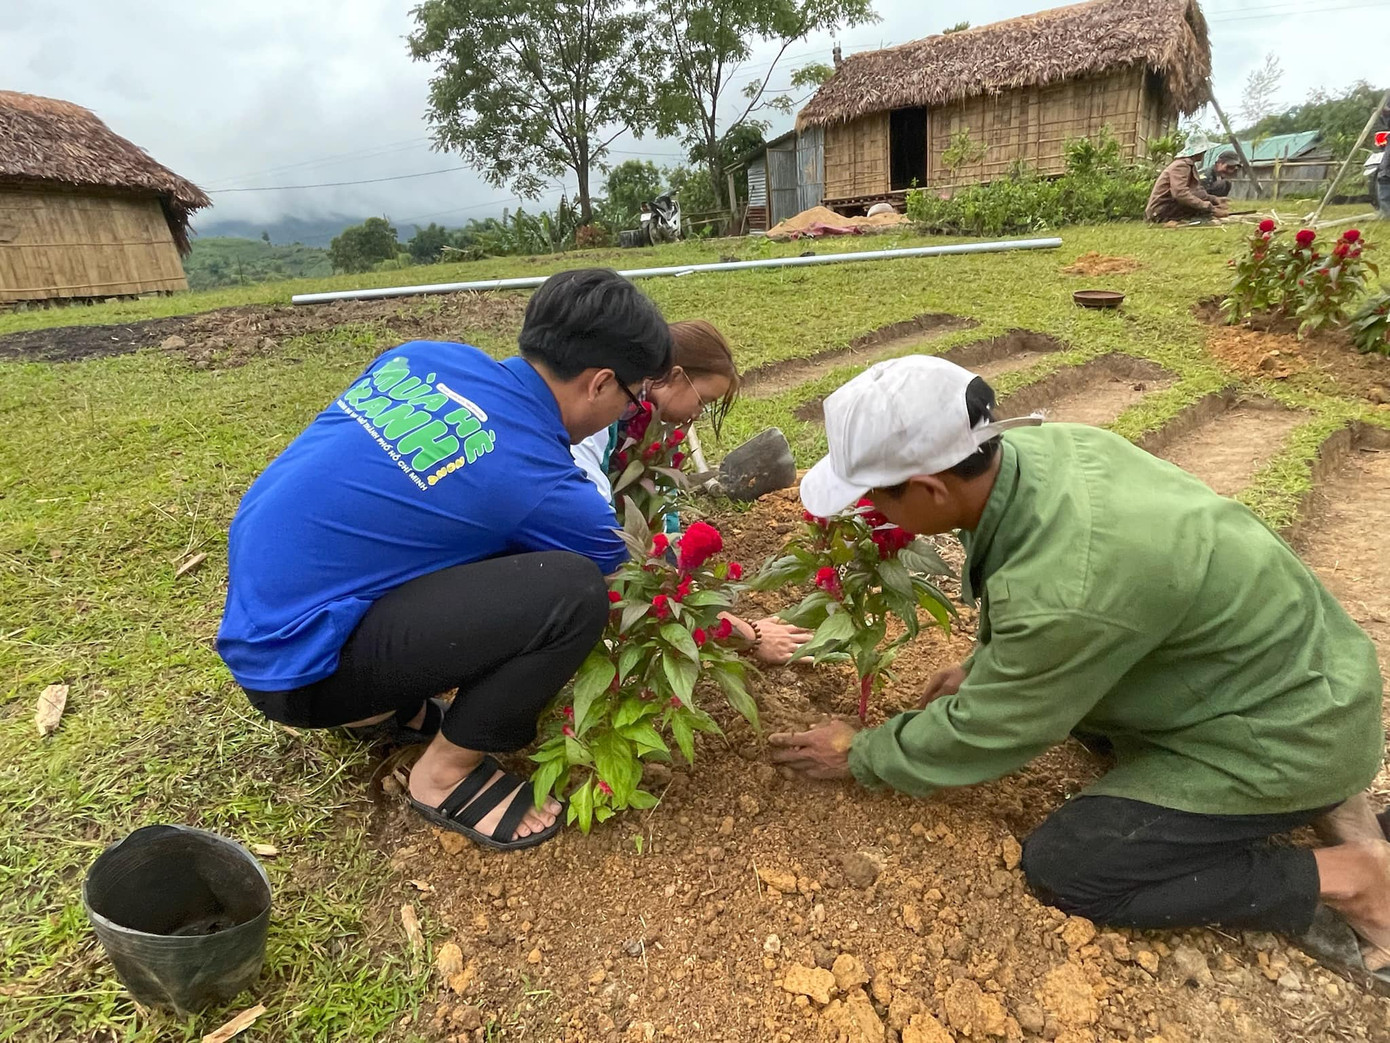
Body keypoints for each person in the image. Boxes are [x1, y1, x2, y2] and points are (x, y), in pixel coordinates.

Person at [768, 355, 1389, 977]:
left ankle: (1350, 875)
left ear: (931, 489)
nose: (871, 511)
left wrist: (862, 753)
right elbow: (1058, 591)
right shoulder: (1050, 450)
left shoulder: (1066, 591)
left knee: (1073, 868)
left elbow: (994, 727)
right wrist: (986, 661)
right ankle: (1325, 797)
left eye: (874, 496)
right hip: (1302, 668)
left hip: (1288, 731)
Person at [217, 268, 673, 851]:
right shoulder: (539, 478)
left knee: (431, 531)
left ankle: (380, 711)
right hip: (302, 670)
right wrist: (737, 631)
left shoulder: (424, 357)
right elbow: (626, 580)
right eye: (632, 400)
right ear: (600, 383)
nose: (627, 414)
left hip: (263, 616)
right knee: (573, 590)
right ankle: (444, 773)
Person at [572, 319, 813, 665]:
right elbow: (608, 546)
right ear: (676, 376)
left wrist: (683, 572)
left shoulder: (653, 426)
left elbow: (663, 530)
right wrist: (748, 635)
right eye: (703, 400)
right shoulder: (598, 422)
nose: (698, 414)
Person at [1146, 150, 1237, 222]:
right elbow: (1180, 194)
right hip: (1160, 211)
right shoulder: (1181, 166)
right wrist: (1210, 208)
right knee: (1198, 208)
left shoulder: (1188, 165)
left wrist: (1214, 199)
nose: (1203, 154)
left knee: (1198, 206)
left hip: (1166, 207)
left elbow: (1197, 191)